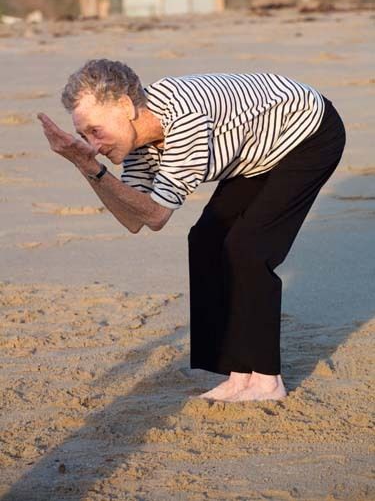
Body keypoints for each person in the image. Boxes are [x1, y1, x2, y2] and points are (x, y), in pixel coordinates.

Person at [38, 59, 346, 402]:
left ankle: (267, 380)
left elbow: (156, 215)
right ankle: (239, 373)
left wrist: (91, 168)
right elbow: (133, 220)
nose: (92, 145)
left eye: (95, 131)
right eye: (83, 137)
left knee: (248, 249)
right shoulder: (138, 143)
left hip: (309, 134)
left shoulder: (185, 123)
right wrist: (88, 169)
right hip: (257, 150)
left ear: (126, 106)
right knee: (205, 241)